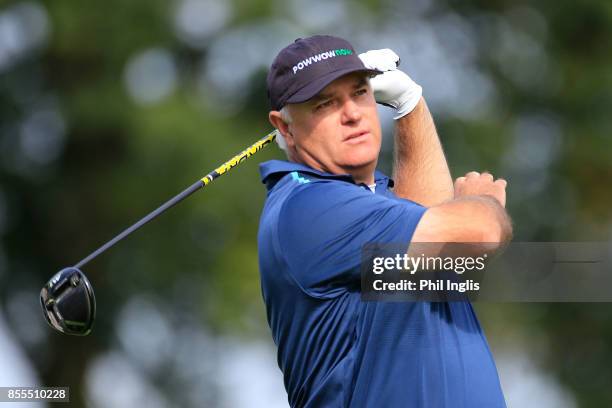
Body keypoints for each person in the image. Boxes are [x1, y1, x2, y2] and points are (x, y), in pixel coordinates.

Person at [257, 35, 512, 407]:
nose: (352, 114)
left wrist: (409, 102)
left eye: (360, 93)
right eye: (325, 103)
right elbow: (480, 231)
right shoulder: (308, 207)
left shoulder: (373, 196)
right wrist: (483, 202)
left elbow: (430, 261)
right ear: (284, 126)